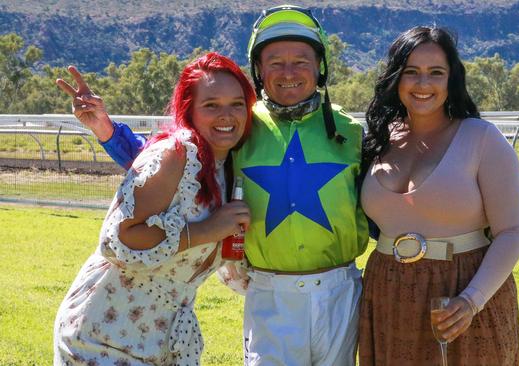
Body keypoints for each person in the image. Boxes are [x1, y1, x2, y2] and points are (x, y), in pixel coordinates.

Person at [72, 5, 368, 365]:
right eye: (275, 62)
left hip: (341, 292)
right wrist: (108, 132)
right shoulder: (242, 126)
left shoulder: (350, 132)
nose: (288, 73)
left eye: (301, 61)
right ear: (258, 70)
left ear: (320, 67)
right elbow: (164, 161)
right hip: (269, 295)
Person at [53, 52, 256, 364]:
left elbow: (225, 267)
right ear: (189, 110)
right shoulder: (175, 154)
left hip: (160, 340)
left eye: (237, 104)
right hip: (103, 336)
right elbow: (116, 241)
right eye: (211, 105)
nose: (226, 115)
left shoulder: (227, 168)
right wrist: (206, 231)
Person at [358, 26, 519, 365]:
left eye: (436, 73)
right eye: (411, 73)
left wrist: (471, 301)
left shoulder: (481, 139)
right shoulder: (378, 139)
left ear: (452, 79)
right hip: (387, 291)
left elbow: (512, 232)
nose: (423, 84)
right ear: (396, 78)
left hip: (462, 295)